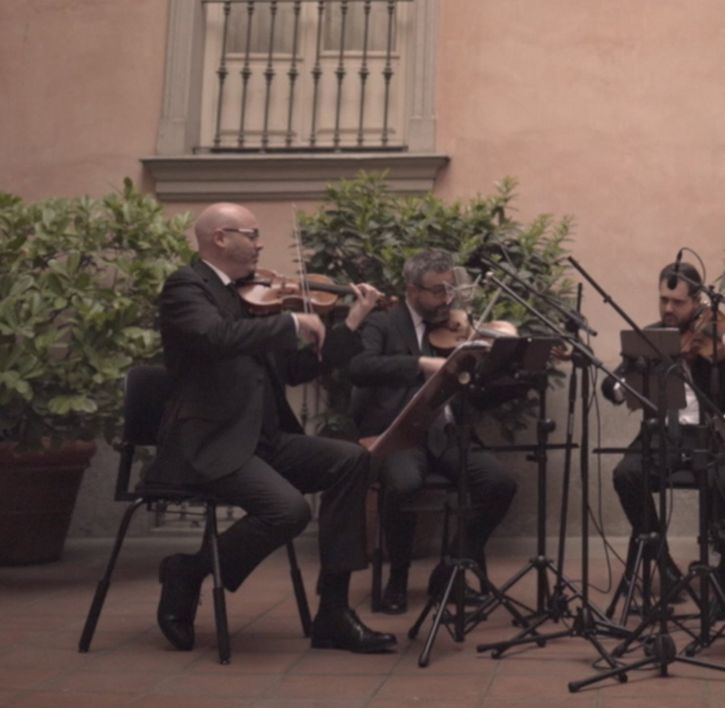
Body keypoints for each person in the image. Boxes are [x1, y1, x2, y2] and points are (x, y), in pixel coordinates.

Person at [148, 203, 398, 654]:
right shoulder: (187, 287)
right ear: (220, 237)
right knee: (288, 510)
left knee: (352, 460)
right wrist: (289, 321)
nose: (261, 244)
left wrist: (353, 320)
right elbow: (213, 339)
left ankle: (334, 613)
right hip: (211, 442)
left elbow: (298, 370)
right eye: (253, 234)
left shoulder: (256, 298)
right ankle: (189, 571)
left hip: (264, 440)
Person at [346, 249, 519, 615]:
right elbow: (360, 366)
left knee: (500, 484)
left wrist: (505, 367)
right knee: (403, 484)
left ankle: (451, 568)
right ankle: (398, 577)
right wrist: (420, 363)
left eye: (450, 291)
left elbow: (480, 392)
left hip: (448, 434)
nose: (447, 300)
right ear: (412, 291)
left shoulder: (459, 326)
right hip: (402, 434)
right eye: (437, 292)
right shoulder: (383, 324)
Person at [606, 261, 725, 597]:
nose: (669, 308)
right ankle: (663, 561)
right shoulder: (650, 337)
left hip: (711, 434)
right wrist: (627, 382)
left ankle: (723, 563)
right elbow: (611, 387)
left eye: (678, 302)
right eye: (664, 300)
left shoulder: (717, 334)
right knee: (626, 475)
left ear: (698, 300)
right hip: (662, 435)